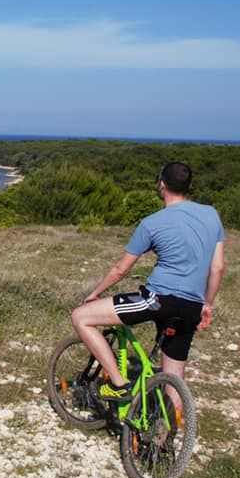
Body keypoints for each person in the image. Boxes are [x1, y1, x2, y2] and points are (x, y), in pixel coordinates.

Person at [71, 162, 225, 404]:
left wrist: (95, 293)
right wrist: (208, 303)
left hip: (158, 300)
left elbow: (121, 269)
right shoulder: (211, 215)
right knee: (174, 377)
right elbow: (217, 267)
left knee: (81, 317)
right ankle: (170, 427)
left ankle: (118, 384)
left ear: (162, 184)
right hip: (192, 305)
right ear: (189, 186)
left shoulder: (152, 222)